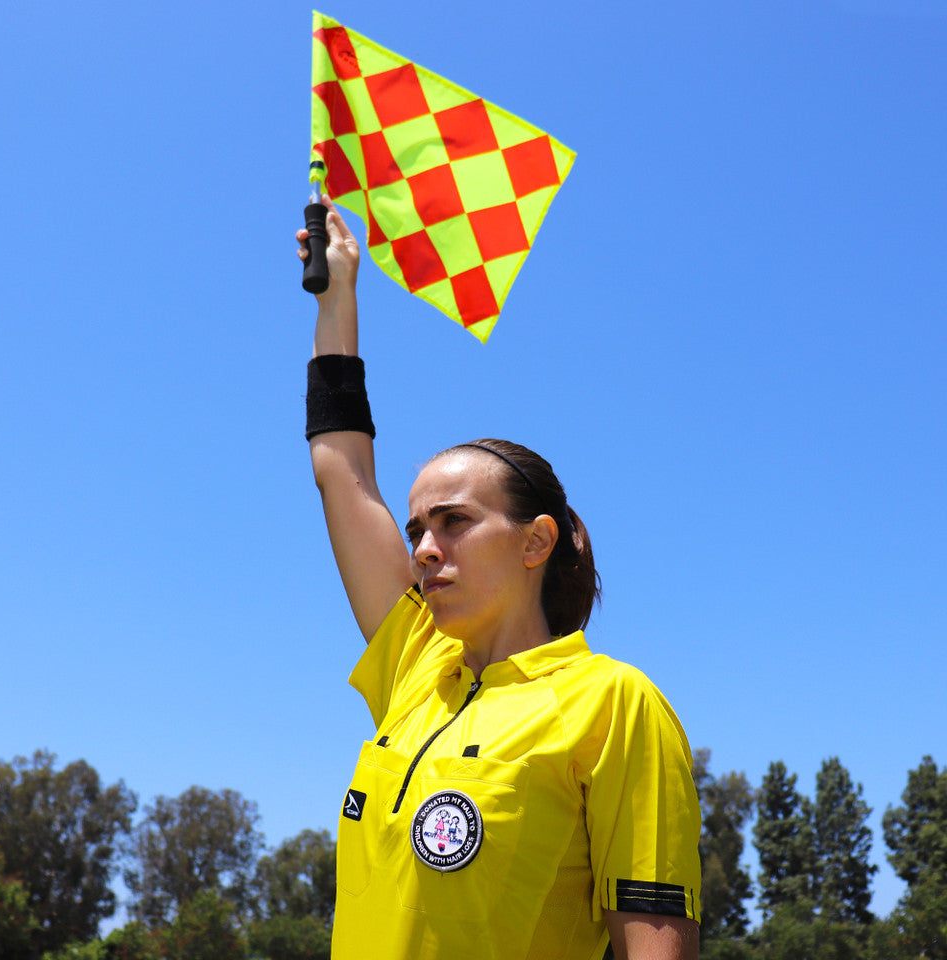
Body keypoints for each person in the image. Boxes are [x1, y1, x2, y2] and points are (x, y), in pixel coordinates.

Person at [296, 198, 702, 960]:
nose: (422, 548)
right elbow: (340, 471)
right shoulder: (414, 670)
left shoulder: (613, 704)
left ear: (536, 542)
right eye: (416, 528)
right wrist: (339, 297)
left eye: (454, 522)